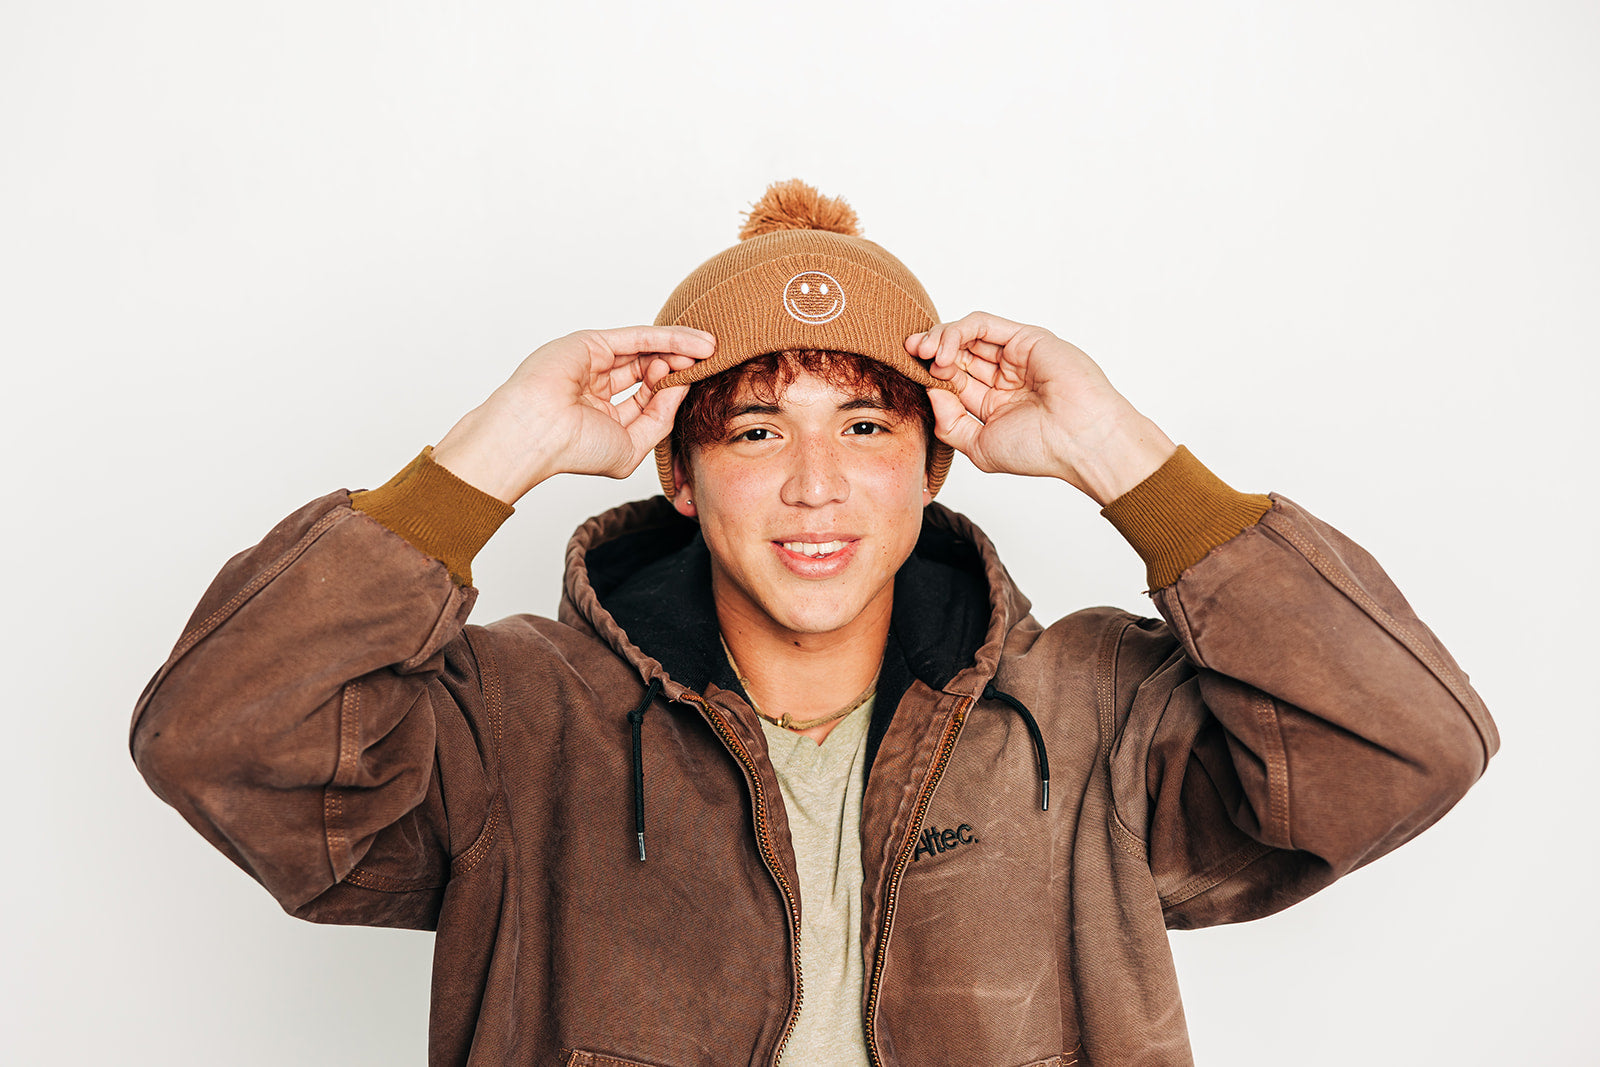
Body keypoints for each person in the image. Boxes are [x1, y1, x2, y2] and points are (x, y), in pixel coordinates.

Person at [131, 180, 1497, 1066]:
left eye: (863, 424)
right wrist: (496, 449)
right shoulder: (517, 725)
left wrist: (1116, 450)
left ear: (932, 463)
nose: (814, 485)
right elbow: (220, 739)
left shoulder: (1090, 718)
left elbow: (1406, 750)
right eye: (753, 429)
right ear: (679, 467)